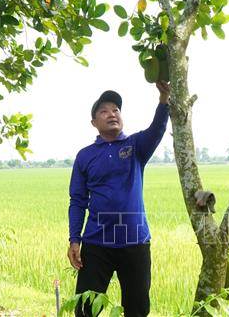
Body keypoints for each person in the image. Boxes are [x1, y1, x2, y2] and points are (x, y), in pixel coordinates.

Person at [67, 81, 170, 317]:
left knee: (137, 310)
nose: (112, 114)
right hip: (96, 244)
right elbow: (78, 201)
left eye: (116, 110)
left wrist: (163, 100)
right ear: (94, 123)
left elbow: (157, 129)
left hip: (135, 242)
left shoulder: (135, 146)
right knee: (85, 310)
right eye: (104, 111)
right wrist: (75, 239)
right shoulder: (85, 156)